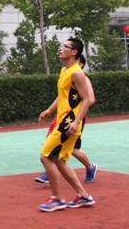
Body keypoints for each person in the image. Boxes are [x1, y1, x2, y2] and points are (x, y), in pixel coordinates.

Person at [38, 38, 95, 212]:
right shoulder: (65, 70)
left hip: (69, 123)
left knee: (46, 156)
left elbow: (87, 100)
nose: (61, 48)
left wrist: (76, 122)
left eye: (65, 46)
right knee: (60, 160)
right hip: (64, 120)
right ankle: (83, 195)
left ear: (74, 52)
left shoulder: (77, 73)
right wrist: (50, 110)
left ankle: (57, 199)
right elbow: (63, 95)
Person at [34, 54, 98, 184]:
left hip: (74, 117)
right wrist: (50, 110)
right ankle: (49, 170)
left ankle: (90, 167)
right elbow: (62, 96)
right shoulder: (65, 74)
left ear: (81, 64)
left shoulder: (83, 78)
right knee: (51, 141)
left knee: (73, 148)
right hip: (62, 116)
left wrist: (76, 114)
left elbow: (90, 99)